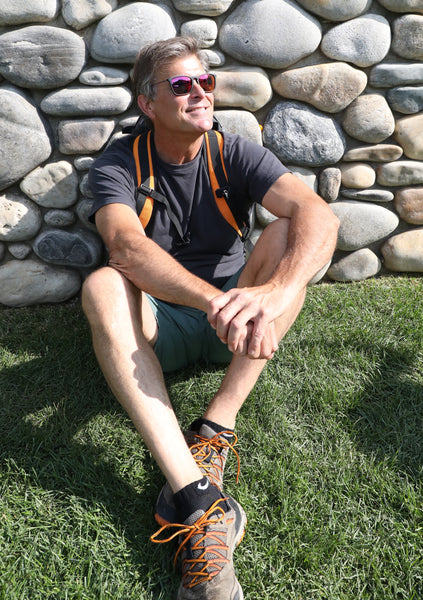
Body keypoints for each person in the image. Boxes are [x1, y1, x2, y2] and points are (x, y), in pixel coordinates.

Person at [82, 36, 339, 600]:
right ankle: (195, 493)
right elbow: (124, 246)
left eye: (205, 81)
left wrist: (272, 294)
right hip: (168, 323)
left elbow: (317, 213)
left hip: (239, 319)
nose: (199, 92)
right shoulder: (119, 163)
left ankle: (214, 429)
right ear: (148, 104)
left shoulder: (234, 150)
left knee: (288, 233)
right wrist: (212, 301)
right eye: (181, 85)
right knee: (103, 284)